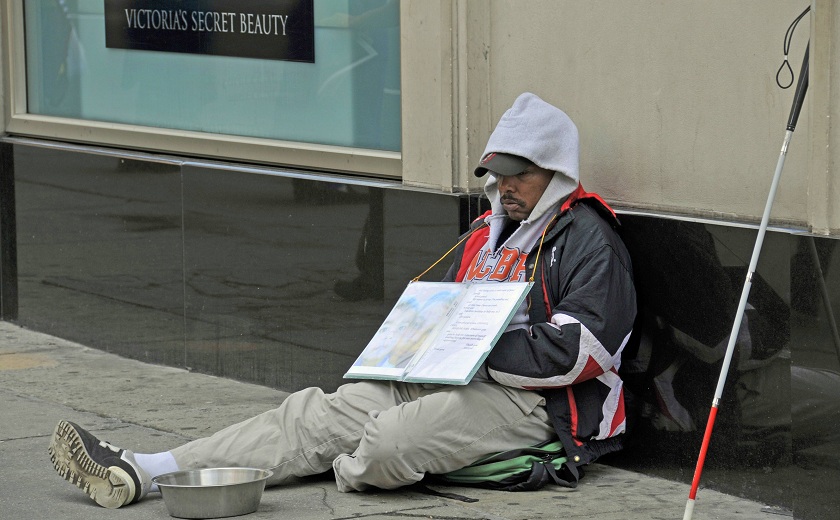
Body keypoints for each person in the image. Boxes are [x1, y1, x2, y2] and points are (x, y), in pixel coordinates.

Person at [48, 92, 637, 509]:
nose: (504, 187)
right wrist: (422, 335)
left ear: (555, 173)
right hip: (451, 373)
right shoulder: (487, 230)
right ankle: (148, 470)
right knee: (311, 415)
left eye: (519, 175)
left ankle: (333, 461)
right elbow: (447, 308)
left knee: (387, 444)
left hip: (534, 403)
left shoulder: (588, 237)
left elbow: (585, 349)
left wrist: (477, 345)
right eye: (497, 174)